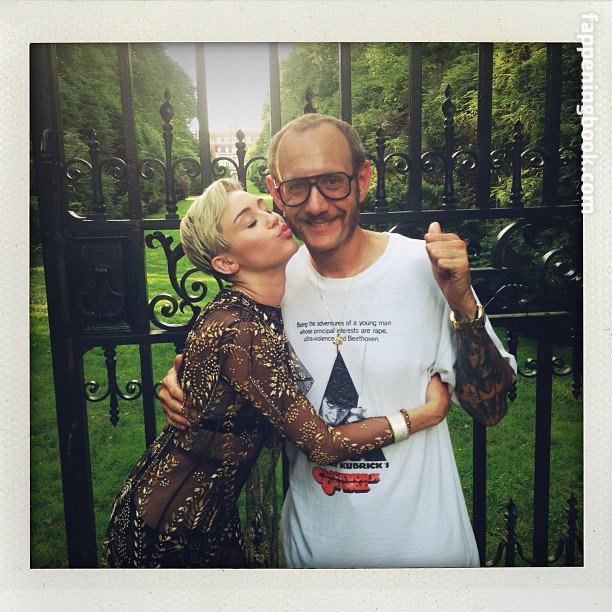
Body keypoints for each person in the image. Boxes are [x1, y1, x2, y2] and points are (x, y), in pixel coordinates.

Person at [160, 114, 517, 568]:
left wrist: (462, 301)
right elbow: (234, 363)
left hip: (426, 555)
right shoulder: (271, 282)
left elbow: (492, 409)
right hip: (312, 560)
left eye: (332, 182)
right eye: (297, 187)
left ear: (362, 179)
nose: (316, 205)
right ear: (276, 192)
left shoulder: (424, 268)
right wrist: (182, 384)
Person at [103, 178, 451, 568]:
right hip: (170, 527)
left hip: (209, 514)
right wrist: (425, 415)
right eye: (250, 222)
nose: (272, 218)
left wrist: (177, 379)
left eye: (264, 208)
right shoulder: (242, 330)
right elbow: (322, 444)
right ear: (226, 263)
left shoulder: (264, 306)